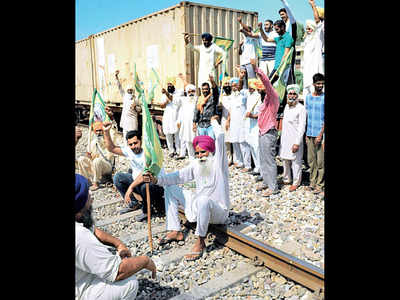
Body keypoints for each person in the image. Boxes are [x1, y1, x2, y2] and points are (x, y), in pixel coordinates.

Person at [144, 115, 230, 261]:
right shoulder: (196, 164)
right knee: (170, 188)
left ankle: (200, 241)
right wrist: (156, 179)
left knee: (203, 200)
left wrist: (214, 121)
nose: (200, 156)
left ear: (210, 151)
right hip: (199, 206)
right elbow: (177, 176)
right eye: (197, 153)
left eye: (203, 152)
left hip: (218, 211)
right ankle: (175, 230)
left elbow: (220, 136)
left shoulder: (218, 163)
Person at [75, 174, 156, 300]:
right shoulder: (79, 236)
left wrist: (118, 243)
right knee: (128, 284)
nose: (91, 195)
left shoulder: (79, 221)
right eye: (87, 193)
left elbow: (93, 230)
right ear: (79, 206)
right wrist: (145, 261)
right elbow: (118, 272)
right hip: (79, 290)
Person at [102, 123, 165, 218]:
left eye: (135, 143)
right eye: (130, 144)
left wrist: (130, 188)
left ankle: (147, 210)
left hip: (155, 185)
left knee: (145, 186)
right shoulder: (129, 150)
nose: (133, 146)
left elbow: (145, 175)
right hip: (138, 183)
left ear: (141, 141)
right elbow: (112, 148)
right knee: (118, 177)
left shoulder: (148, 153)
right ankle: (134, 203)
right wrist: (106, 132)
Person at [250, 59, 280, 197]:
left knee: (269, 160)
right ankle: (267, 182)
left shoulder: (273, 96)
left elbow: (266, 83)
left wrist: (257, 69)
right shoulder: (265, 100)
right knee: (263, 159)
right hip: (262, 132)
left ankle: (273, 187)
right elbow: (263, 115)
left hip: (269, 132)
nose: (260, 87)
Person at [76, 108, 118, 191]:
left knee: (97, 160)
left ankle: (96, 183)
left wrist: (111, 118)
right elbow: (89, 157)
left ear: (103, 131)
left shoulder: (109, 139)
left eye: (100, 131)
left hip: (107, 166)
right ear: (94, 132)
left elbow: (114, 130)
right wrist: (88, 156)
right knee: (81, 159)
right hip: (96, 166)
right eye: (97, 131)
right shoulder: (93, 142)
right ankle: (85, 181)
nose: (99, 133)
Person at [279, 84, 307, 192]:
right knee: (285, 159)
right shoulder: (286, 106)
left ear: (297, 95)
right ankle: (286, 179)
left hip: (295, 140)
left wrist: (297, 143)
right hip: (285, 138)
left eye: (294, 93)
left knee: (296, 162)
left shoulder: (301, 109)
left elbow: (301, 127)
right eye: (290, 93)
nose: (291, 96)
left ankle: (296, 182)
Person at [305, 73, 324, 194]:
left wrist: (320, 135)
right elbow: (306, 116)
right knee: (311, 160)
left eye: (322, 83)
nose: (320, 85)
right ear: (313, 84)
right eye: (318, 83)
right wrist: (306, 133)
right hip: (310, 132)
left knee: (320, 161)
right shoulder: (308, 97)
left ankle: (320, 184)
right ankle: (312, 182)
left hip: (320, 134)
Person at [227, 75, 251, 171]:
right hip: (233, 123)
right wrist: (228, 121)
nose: (234, 87)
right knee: (235, 143)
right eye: (233, 85)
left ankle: (247, 165)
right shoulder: (231, 96)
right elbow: (230, 110)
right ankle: (240, 162)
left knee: (243, 144)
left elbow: (241, 88)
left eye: (236, 85)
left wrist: (240, 78)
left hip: (243, 124)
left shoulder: (243, 94)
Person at [302, 0, 325, 99]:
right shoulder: (307, 39)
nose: (307, 30)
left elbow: (317, 21)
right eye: (306, 29)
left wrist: (313, 6)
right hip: (306, 71)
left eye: (309, 28)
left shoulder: (318, 34)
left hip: (316, 68)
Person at [244, 78, 264, 176]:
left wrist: (252, 116)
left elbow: (261, 114)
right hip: (249, 124)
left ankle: (261, 168)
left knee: (256, 146)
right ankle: (256, 167)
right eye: (249, 87)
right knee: (251, 145)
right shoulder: (249, 96)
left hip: (256, 125)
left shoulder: (259, 98)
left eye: (252, 87)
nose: (250, 89)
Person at [160, 77, 183, 158]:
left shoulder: (178, 92)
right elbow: (161, 106)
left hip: (176, 116)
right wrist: (165, 102)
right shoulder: (164, 94)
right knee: (168, 134)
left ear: (174, 84)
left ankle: (178, 150)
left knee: (177, 134)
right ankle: (171, 151)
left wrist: (166, 94)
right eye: (168, 84)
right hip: (167, 117)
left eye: (171, 84)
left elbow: (173, 99)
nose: (169, 86)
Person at [115, 70, 142, 142]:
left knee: (133, 137)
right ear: (127, 90)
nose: (130, 91)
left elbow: (140, 110)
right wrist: (116, 77)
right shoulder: (125, 96)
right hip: (125, 121)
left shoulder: (135, 99)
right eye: (128, 90)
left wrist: (135, 107)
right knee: (125, 138)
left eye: (131, 90)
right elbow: (119, 87)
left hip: (132, 121)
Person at [192, 74, 219, 140]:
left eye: (206, 89)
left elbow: (215, 91)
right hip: (201, 125)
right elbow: (196, 111)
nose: (205, 91)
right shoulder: (199, 99)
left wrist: (212, 81)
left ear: (209, 89)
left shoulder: (212, 98)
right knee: (203, 145)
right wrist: (194, 123)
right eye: (203, 89)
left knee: (211, 144)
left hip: (210, 125)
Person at [176, 83, 197, 160]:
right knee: (188, 140)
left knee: (196, 140)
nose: (191, 93)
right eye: (189, 91)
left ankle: (198, 155)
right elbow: (181, 111)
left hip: (196, 124)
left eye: (193, 91)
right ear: (186, 93)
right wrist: (179, 121)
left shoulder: (197, 99)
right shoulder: (184, 100)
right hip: (186, 124)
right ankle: (191, 158)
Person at [237, 16, 258, 90]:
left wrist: (240, 22)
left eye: (246, 30)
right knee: (244, 80)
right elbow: (240, 53)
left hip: (250, 62)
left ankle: (255, 93)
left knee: (252, 79)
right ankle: (245, 94)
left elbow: (248, 30)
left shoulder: (253, 38)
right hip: (243, 63)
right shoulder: (244, 40)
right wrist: (239, 46)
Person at [218, 76, 233, 166]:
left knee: (234, 140)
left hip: (233, 119)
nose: (227, 86)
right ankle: (229, 158)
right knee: (226, 140)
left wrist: (229, 119)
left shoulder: (233, 96)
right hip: (224, 120)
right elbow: (220, 108)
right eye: (225, 84)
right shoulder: (222, 97)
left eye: (228, 84)